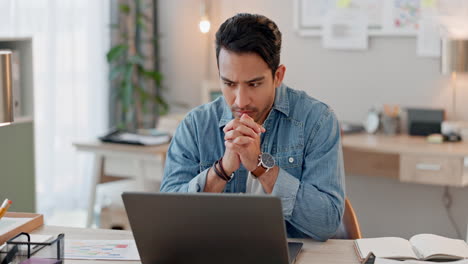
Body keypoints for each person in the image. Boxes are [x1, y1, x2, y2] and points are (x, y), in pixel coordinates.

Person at [160, 13, 345, 241]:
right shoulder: (195, 126)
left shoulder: (317, 120)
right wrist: (222, 170)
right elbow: (166, 221)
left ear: (278, 76)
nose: (240, 101)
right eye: (229, 83)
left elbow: (326, 222)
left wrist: (261, 167)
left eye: (254, 84)